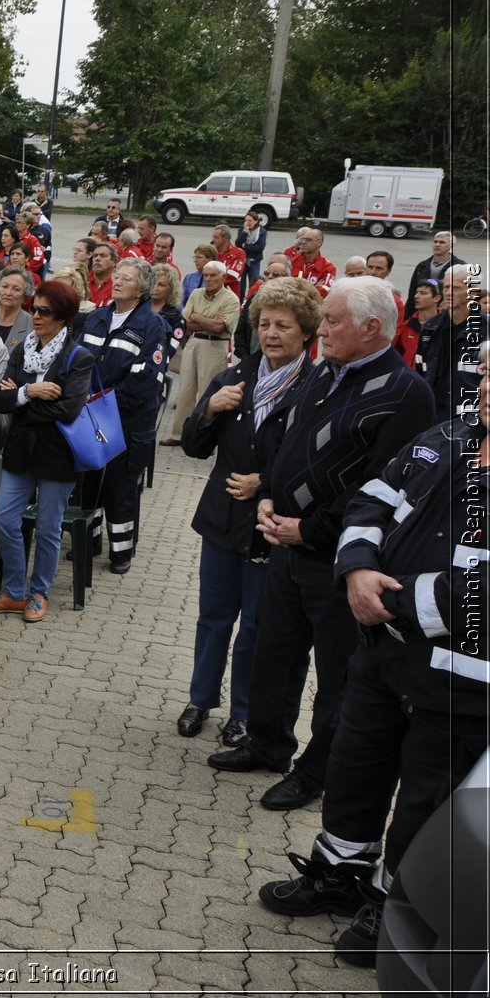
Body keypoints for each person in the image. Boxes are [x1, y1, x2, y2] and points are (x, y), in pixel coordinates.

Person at [254, 344, 490, 966]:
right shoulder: (448, 436)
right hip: (384, 653)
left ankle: (399, 912)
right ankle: (339, 873)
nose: (484, 384)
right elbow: (372, 501)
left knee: (426, 800)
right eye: (486, 371)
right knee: (356, 768)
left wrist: (400, 601)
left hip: (462, 682)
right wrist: (357, 568)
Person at [208, 278, 435, 813]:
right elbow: (291, 442)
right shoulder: (326, 371)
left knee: (338, 673)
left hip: (339, 560)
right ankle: (267, 743)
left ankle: (317, 772)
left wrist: (309, 529)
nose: (322, 329)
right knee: (275, 652)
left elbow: (383, 487)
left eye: (332, 321)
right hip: (284, 543)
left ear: (372, 329)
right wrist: (267, 492)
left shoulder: (405, 395)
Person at [176, 279, 320, 745]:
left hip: (270, 525)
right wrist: (209, 412)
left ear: (306, 333)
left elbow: (320, 463)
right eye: (264, 324)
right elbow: (195, 449)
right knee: (213, 615)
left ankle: (244, 713)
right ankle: (200, 700)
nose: (271, 333)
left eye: (283, 325)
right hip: (221, 520)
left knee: (257, 625)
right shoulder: (234, 378)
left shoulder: (317, 388)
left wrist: (267, 482)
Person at [0, 280, 95, 624]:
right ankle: (14, 591)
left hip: (57, 455)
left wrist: (21, 398)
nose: (36, 315)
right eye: (35, 308)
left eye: (45, 311)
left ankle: (39, 592)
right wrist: (31, 391)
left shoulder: (79, 356)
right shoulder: (22, 350)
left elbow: (69, 410)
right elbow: (0, 399)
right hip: (19, 450)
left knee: (48, 528)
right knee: (4, 518)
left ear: (62, 316)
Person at [75, 258, 170, 574]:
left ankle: (121, 553)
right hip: (91, 414)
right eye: (117, 276)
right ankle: (88, 542)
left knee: (119, 486)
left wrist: (102, 401)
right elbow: (78, 360)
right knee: (89, 482)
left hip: (128, 420)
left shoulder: (152, 325)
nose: (117, 281)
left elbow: (143, 379)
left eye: (126, 278)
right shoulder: (96, 318)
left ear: (142, 289)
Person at [162, 260, 240, 445]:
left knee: (208, 392)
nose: (209, 279)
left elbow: (220, 327)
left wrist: (197, 317)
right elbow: (186, 323)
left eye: (213, 275)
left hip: (215, 346)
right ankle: (178, 434)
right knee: (185, 392)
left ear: (223, 277)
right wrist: (207, 321)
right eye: (206, 275)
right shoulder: (196, 294)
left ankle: (204, 438)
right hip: (194, 342)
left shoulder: (231, 299)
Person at [415, 264, 485, 423]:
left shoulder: (486, 330)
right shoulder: (430, 328)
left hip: (468, 417)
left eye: (456, 288)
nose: (448, 293)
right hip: (433, 413)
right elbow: (420, 367)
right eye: (446, 287)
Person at [0, 264, 35, 353]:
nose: (8, 293)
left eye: (16, 289)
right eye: (4, 286)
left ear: (25, 295)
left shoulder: (31, 326)